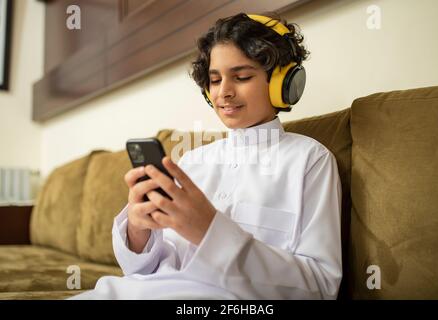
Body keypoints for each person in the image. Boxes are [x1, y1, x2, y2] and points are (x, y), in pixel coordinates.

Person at [71, 12, 342, 300]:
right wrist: (139, 231)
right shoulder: (191, 162)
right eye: (214, 80)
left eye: (242, 77)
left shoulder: (310, 160)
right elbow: (144, 270)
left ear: (282, 83)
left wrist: (210, 231)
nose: (223, 92)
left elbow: (321, 287)